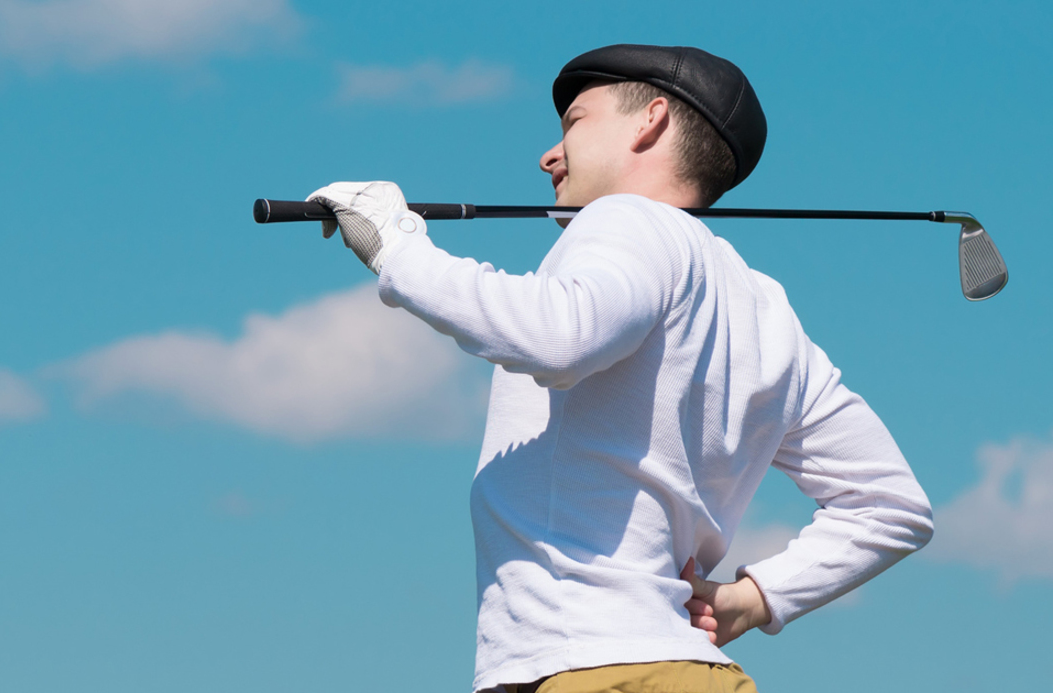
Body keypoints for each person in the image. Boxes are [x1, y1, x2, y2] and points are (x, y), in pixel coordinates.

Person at [308, 44, 934, 693]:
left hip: (601, 668)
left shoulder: (628, 218)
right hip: (681, 670)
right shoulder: (767, 310)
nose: (548, 155)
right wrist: (751, 599)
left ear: (651, 120)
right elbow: (893, 504)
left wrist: (398, 250)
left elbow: (558, 333)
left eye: (574, 122)